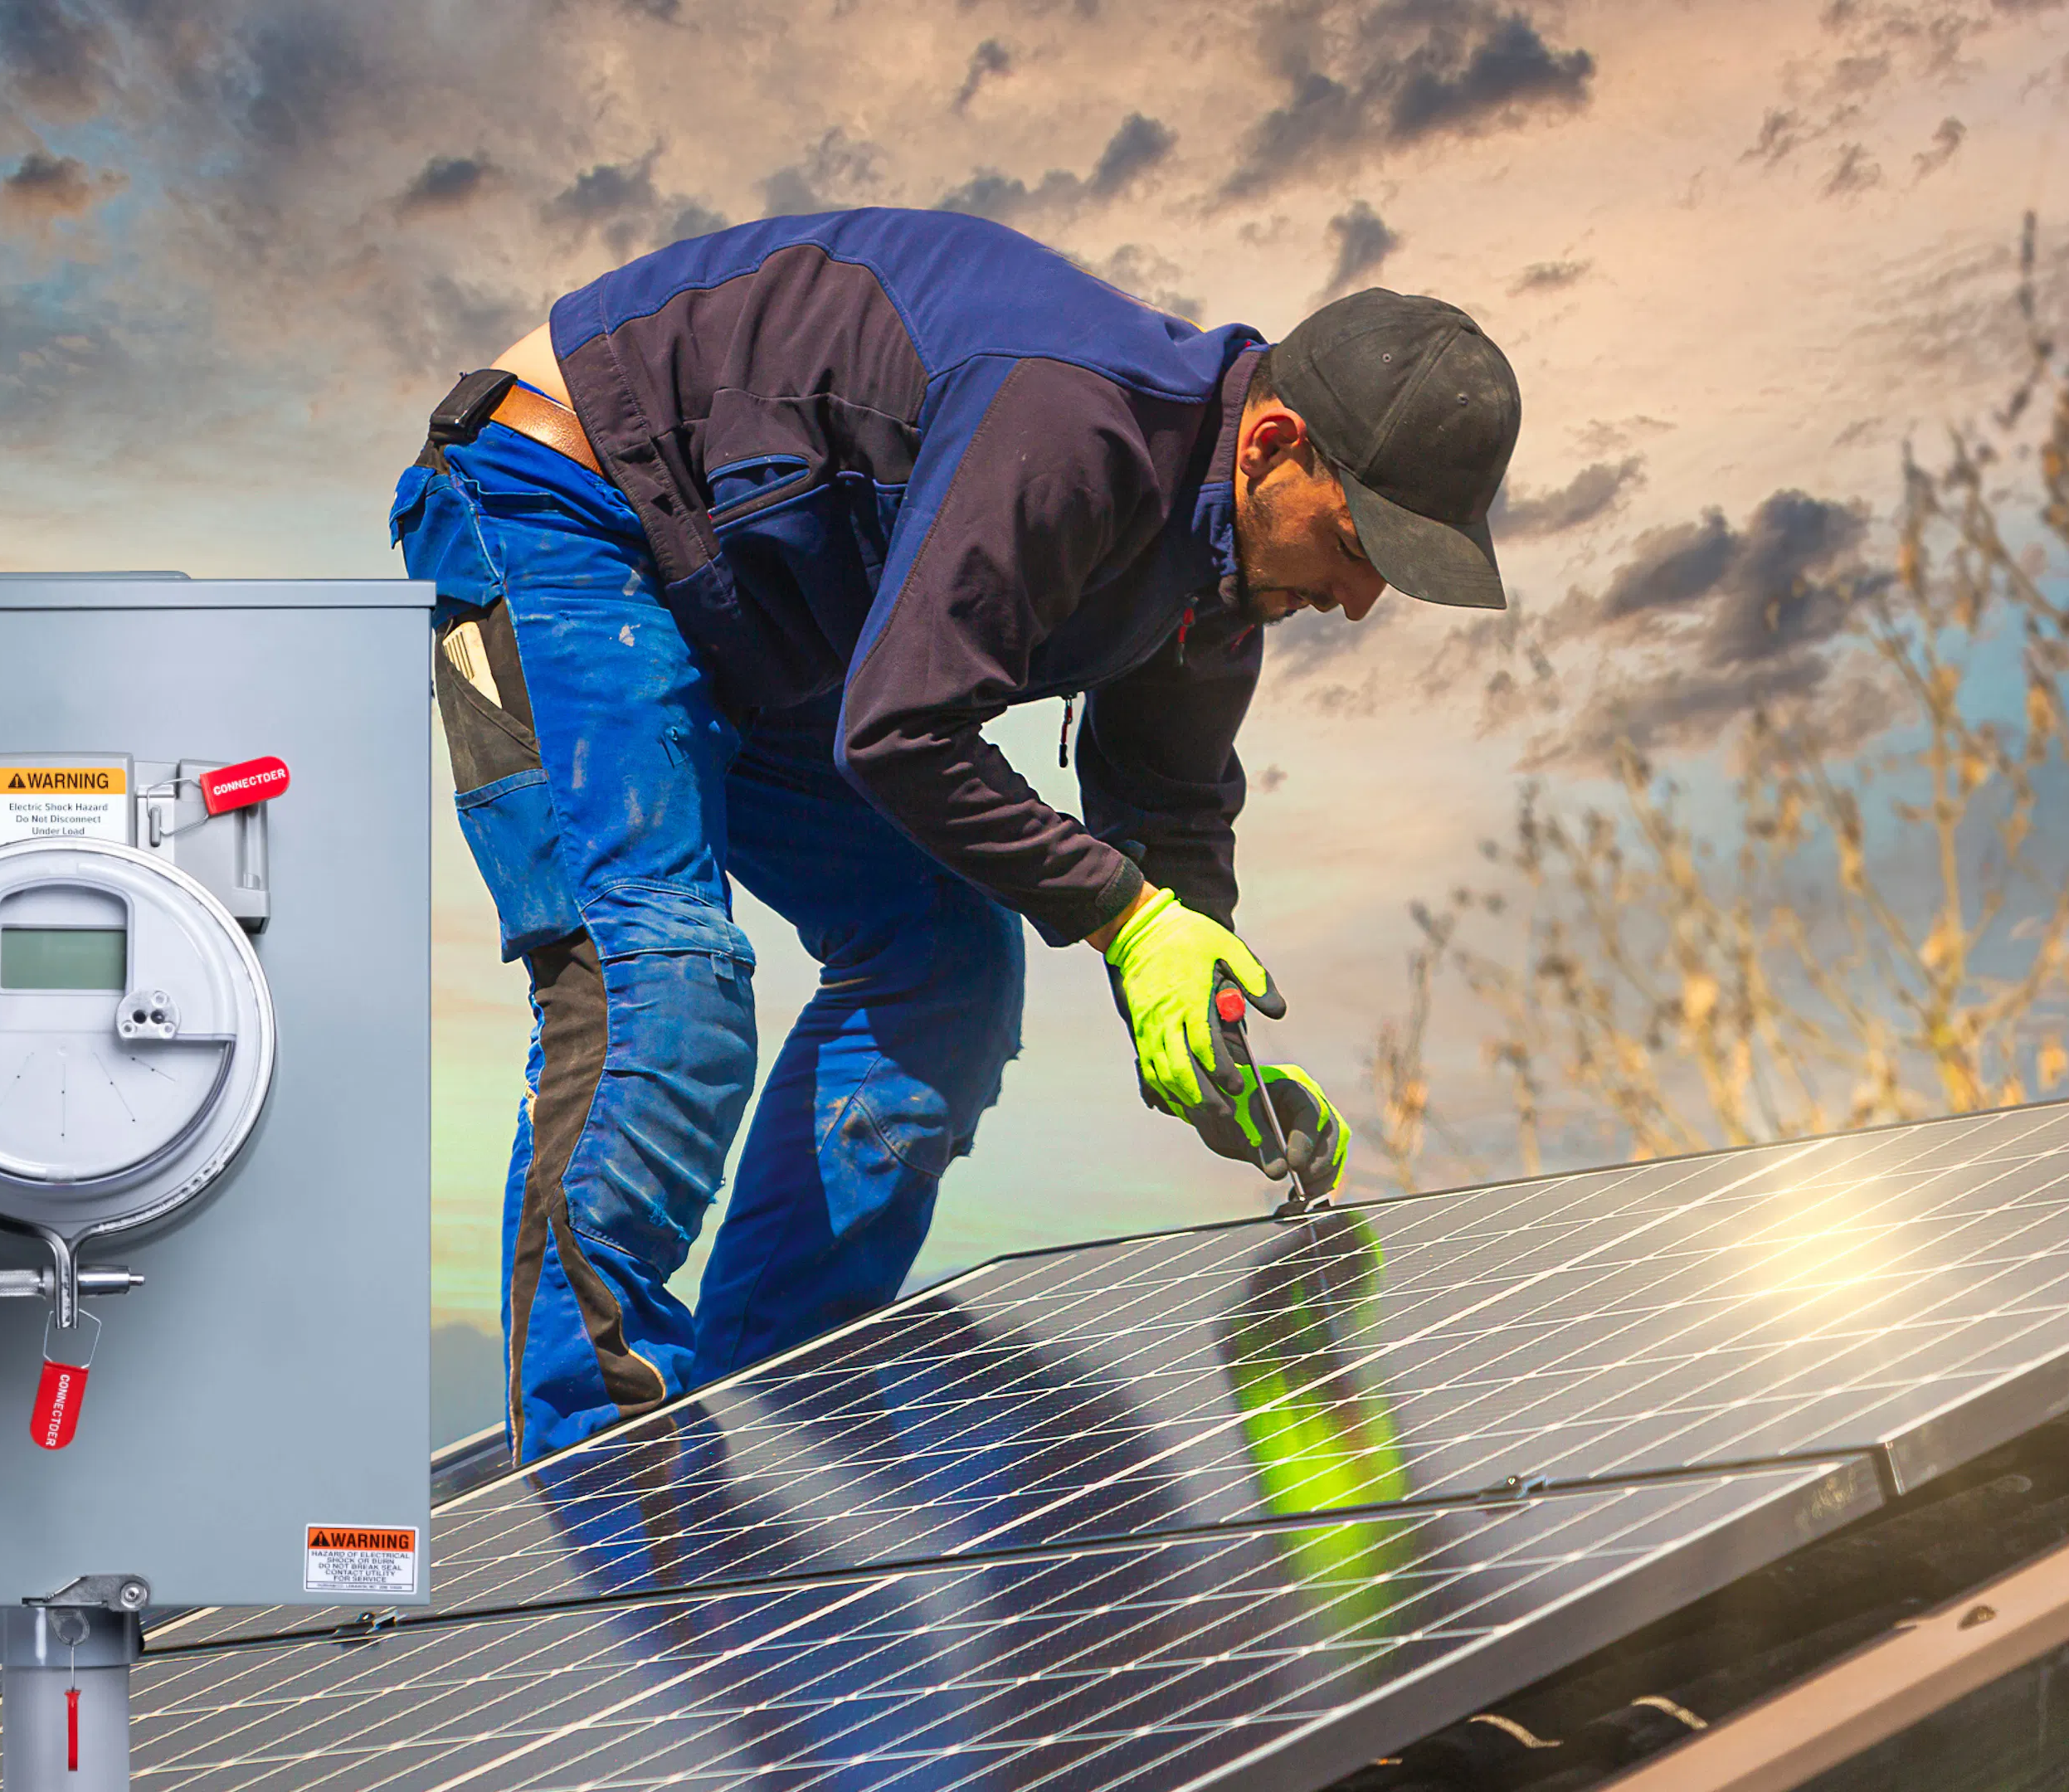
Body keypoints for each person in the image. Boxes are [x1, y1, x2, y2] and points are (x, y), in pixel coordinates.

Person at [393, 206, 1521, 1461]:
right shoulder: (1074, 426)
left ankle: (768, 1387)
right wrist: (1129, 922)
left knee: (948, 959)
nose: (1361, 602)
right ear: (1272, 445)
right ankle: (595, 1469)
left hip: (764, 626)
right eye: (1361, 546)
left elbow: (1167, 828)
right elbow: (902, 733)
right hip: (558, 507)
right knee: (663, 979)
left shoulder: (1214, 584)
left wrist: (1212, 1026)